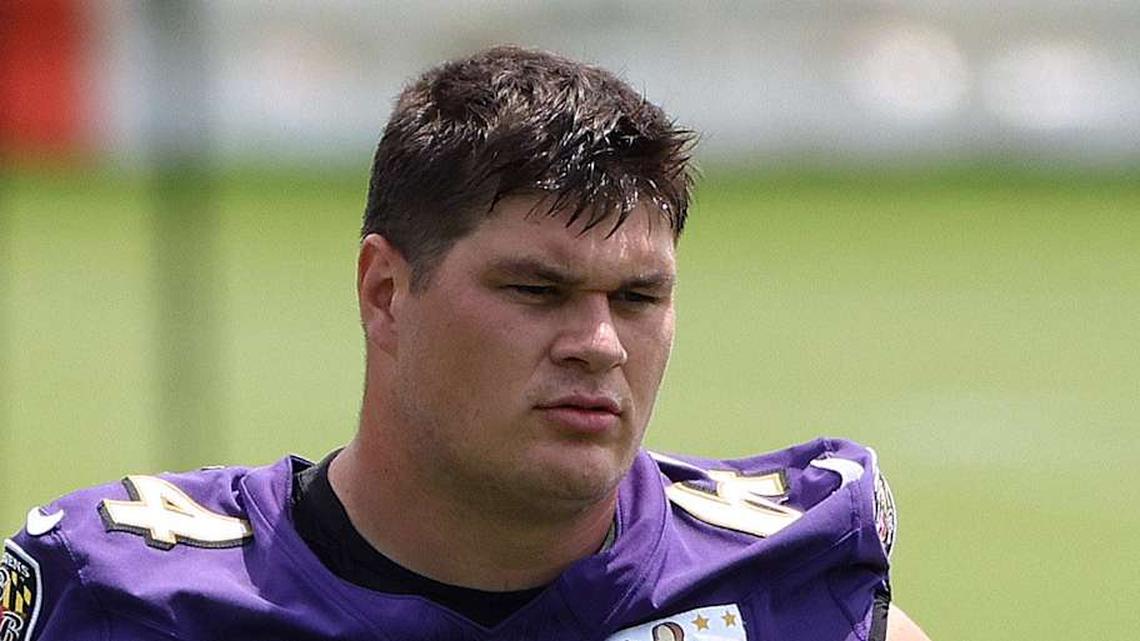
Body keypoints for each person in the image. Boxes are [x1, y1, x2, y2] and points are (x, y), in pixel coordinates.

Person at [2, 46, 930, 641]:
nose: (599, 343)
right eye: (537, 290)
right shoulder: (127, 600)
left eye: (639, 297)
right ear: (385, 292)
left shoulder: (786, 582)